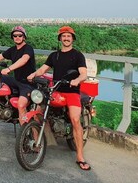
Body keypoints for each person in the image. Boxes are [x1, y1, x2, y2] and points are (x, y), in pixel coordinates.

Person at [27, 26, 90, 171]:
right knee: (37, 109)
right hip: (56, 91)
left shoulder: (78, 55)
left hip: (72, 92)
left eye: (69, 36)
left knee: (75, 119)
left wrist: (77, 80)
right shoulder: (54, 55)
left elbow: (83, 73)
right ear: (60, 39)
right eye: (63, 36)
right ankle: (38, 143)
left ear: (72, 39)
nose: (66, 38)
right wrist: (33, 75)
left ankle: (80, 156)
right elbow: (43, 69)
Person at [0, 26, 36, 125]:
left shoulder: (28, 48)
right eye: (15, 35)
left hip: (27, 83)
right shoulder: (13, 49)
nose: (17, 37)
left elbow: (24, 60)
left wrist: (9, 68)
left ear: (24, 37)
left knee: (21, 105)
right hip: (16, 80)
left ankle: (24, 131)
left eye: (20, 35)